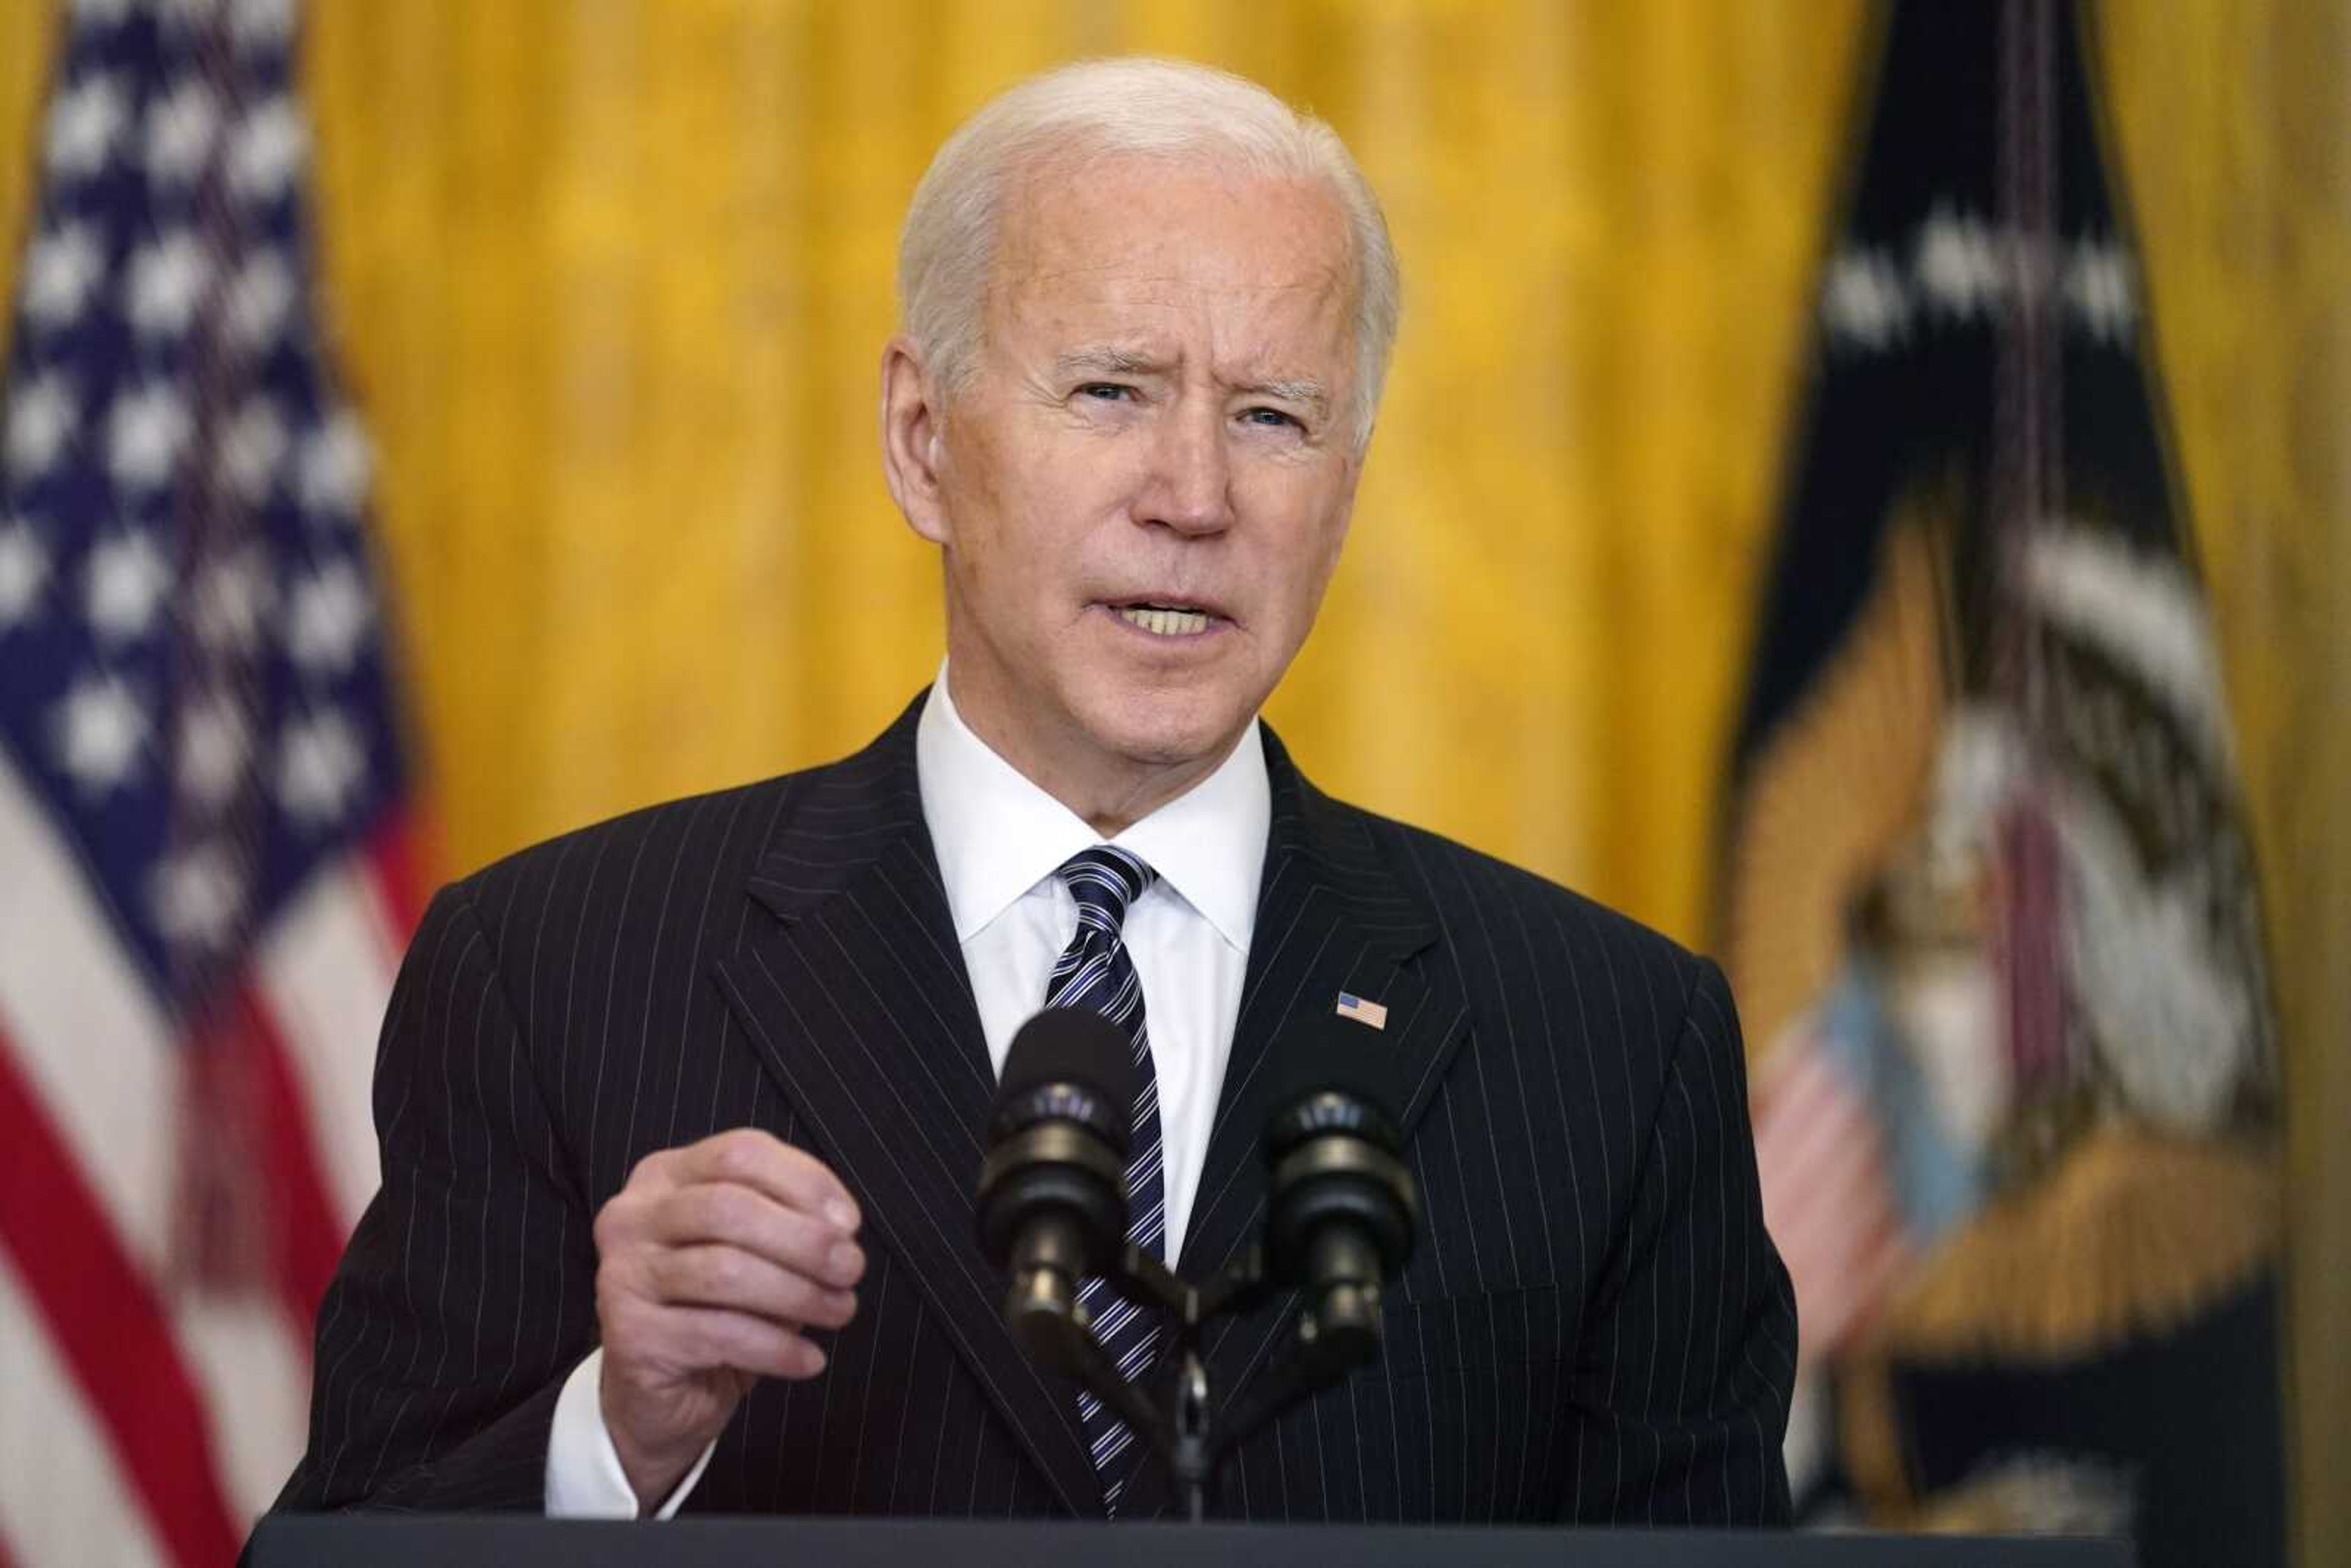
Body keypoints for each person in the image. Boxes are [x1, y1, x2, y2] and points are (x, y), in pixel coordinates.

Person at [268, 56, 1794, 1528]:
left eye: (1274, 415)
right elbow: (353, 1538)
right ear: (923, 442)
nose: (1194, 497)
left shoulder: (1611, 1043)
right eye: (1113, 390)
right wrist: (621, 1431)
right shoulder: (557, 974)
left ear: (1350, 480)